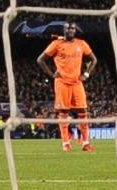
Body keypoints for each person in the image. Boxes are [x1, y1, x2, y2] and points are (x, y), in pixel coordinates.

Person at [37, 21, 98, 153]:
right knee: (63, 113)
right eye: (68, 28)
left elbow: (94, 59)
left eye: (73, 28)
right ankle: (66, 143)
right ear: (63, 30)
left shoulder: (81, 44)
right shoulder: (56, 44)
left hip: (77, 82)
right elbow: (40, 59)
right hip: (62, 83)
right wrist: (52, 74)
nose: (71, 30)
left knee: (83, 112)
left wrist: (86, 74)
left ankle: (85, 143)